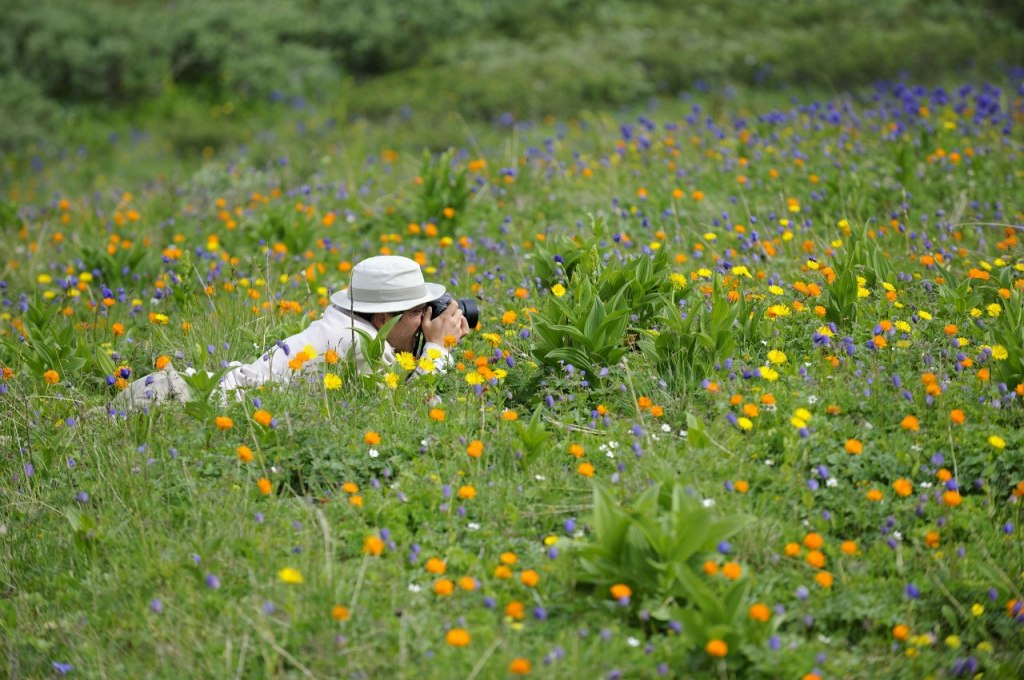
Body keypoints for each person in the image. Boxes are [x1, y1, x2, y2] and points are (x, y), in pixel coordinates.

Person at [113, 256, 470, 410]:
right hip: (174, 400)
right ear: (381, 318)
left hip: (180, 390)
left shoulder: (344, 323)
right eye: (415, 313)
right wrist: (438, 346)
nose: (424, 320)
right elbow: (402, 408)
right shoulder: (355, 345)